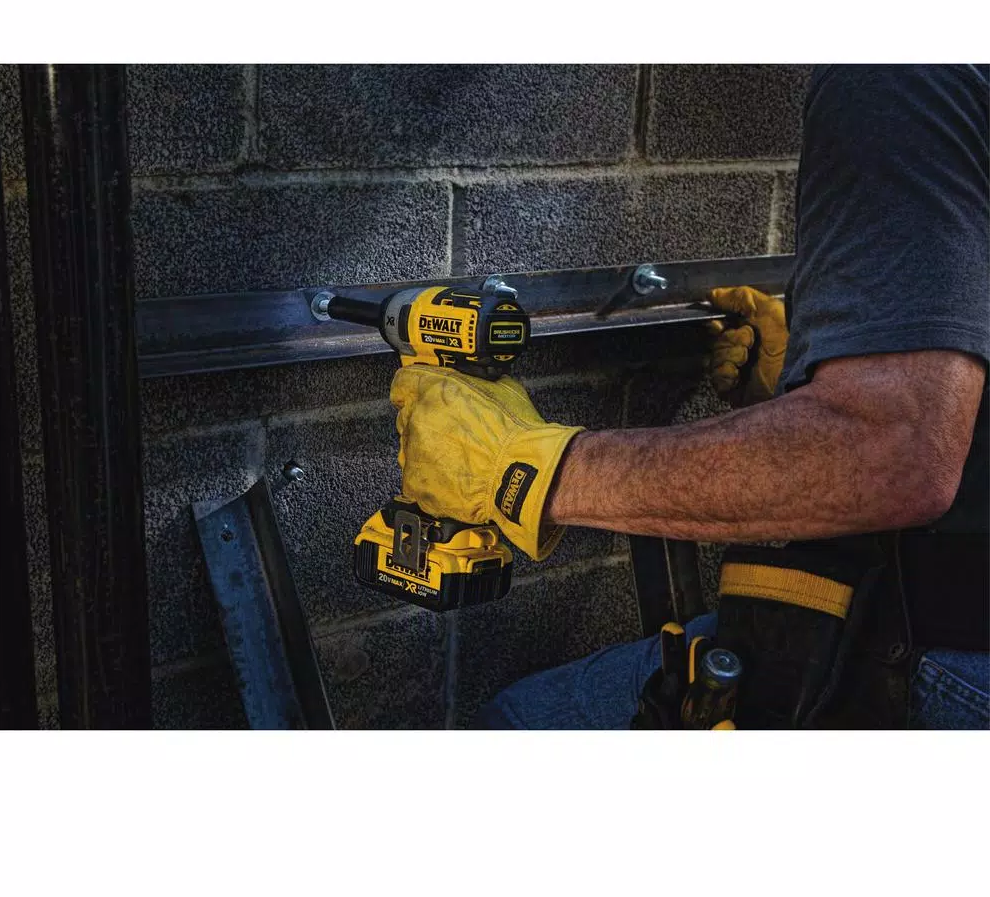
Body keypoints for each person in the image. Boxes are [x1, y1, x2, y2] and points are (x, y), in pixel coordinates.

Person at [391, 65, 989, 730]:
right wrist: (818, 388)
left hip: (948, 656)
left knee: (519, 726)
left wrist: (530, 468)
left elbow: (891, 453)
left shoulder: (900, 78)